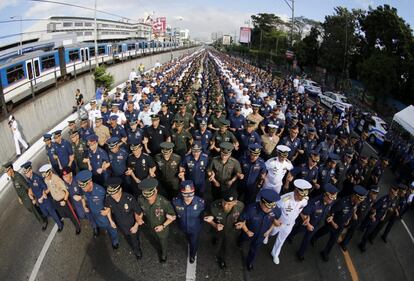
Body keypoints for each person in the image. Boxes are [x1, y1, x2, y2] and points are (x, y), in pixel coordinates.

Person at [312, 185, 368, 261]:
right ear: (354, 196)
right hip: (333, 223)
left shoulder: (355, 203)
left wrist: (348, 219)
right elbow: (330, 212)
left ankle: (325, 253)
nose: (360, 201)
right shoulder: (342, 203)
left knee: (333, 240)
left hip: (341, 225)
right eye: (359, 199)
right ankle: (314, 238)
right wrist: (333, 223)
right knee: (324, 231)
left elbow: (351, 211)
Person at [265, 179, 312, 265]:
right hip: (279, 222)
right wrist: (274, 220)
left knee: (281, 240)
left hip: (290, 224)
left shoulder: (305, 200)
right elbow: (272, 210)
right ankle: (267, 234)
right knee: (272, 233)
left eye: (304, 195)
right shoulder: (284, 199)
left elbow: (301, 210)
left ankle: (275, 254)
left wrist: (306, 218)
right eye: (300, 195)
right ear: (295, 191)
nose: (302, 198)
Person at [288, 183, 339, 260]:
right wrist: (308, 224)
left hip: (318, 223)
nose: (331, 201)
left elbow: (331, 210)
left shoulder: (330, 202)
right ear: (325, 195)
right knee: (299, 230)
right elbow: (303, 213)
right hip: (307, 223)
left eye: (332, 199)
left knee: (307, 238)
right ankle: (290, 236)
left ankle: (300, 253)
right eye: (330, 198)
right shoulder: (314, 203)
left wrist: (330, 216)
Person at [237, 189, 282, 271]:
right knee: (243, 238)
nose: (269, 210)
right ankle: (239, 241)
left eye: (271, 207)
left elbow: (275, 221)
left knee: (254, 250)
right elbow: (242, 220)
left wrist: (269, 231)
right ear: (261, 202)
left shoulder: (275, 209)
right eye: (267, 207)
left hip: (262, 234)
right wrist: (246, 230)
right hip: (249, 231)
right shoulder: (251, 209)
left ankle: (249, 262)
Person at [76, 170, 119, 249]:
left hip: (101, 214)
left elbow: (108, 202)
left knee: (110, 227)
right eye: (81, 186)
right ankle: (95, 228)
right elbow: (82, 196)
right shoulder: (83, 189)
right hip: (91, 212)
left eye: (83, 186)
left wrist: (108, 213)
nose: (82, 188)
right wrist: (84, 205)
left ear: (90, 182)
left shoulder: (100, 191)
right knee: (93, 222)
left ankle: (115, 241)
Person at [104, 177, 144, 260]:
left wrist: (136, 226)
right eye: (111, 194)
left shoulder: (129, 199)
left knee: (134, 240)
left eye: (114, 193)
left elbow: (139, 213)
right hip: (120, 224)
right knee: (127, 235)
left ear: (120, 190)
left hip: (131, 224)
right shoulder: (109, 198)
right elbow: (107, 208)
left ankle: (137, 251)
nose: (113, 196)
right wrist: (111, 221)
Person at [138, 178, 176, 263]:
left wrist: (163, 225)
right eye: (146, 196)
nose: (149, 198)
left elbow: (173, 217)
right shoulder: (141, 199)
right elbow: (139, 210)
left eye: (151, 196)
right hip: (150, 225)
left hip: (162, 228)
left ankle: (163, 255)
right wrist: (139, 218)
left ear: (155, 191)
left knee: (163, 242)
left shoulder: (164, 202)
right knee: (155, 237)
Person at [204, 189, 244, 269]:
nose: (225, 206)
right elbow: (206, 217)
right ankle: (217, 248)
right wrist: (214, 224)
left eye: (229, 204)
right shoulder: (214, 206)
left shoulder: (240, 206)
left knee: (226, 246)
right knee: (217, 244)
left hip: (231, 232)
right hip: (217, 231)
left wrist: (242, 223)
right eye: (224, 202)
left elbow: (243, 218)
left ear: (235, 202)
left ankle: (222, 259)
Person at [21, 161, 63, 231]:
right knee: (46, 213)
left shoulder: (37, 178)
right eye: (25, 173)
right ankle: (58, 215)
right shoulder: (28, 179)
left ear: (30, 170)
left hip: (45, 199)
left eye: (27, 172)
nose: (26, 174)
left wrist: (42, 197)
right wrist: (31, 196)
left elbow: (46, 188)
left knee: (52, 212)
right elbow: (30, 188)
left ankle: (60, 224)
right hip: (39, 200)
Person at [39, 164, 81, 234]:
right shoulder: (46, 180)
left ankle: (77, 226)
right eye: (44, 176)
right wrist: (45, 193)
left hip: (63, 200)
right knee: (64, 214)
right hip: (56, 200)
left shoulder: (57, 179)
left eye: (47, 175)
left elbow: (66, 191)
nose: (46, 177)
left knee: (71, 215)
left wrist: (64, 200)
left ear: (50, 172)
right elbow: (49, 187)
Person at [3, 162, 47, 230]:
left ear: (11, 169)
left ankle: (43, 222)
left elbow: (28, 188)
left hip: (27, 197)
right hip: (23, 198)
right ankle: (43, 214)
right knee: (31, 209)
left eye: (7, 171)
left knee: (33, 210)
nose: (7, 173)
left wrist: (32, 199)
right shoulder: (12, 177)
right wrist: (19, 197)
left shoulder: (18, 177)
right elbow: (16, 188)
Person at [172, 180, 205, 263]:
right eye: (185, 194)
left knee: (193, 243)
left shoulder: (200, 202)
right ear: (181, 193)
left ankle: (192, 255)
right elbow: (172, 211)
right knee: (187, 238)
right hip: (183, 226)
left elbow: (205, 212)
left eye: (191, 193)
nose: (189, 196)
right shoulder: (176, 202)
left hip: (195, 228)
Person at [61, 167, 98, 237]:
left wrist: (81, 198)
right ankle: (94, 219)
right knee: (81, 216)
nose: (65, 178)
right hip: (76, 205)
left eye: (66, 176)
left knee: (89, 215)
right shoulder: (65, 183)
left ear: (71, 174)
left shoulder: (79, 181)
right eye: (63, 177)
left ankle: (95, 227)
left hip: (84, 202)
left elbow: (88, 194)